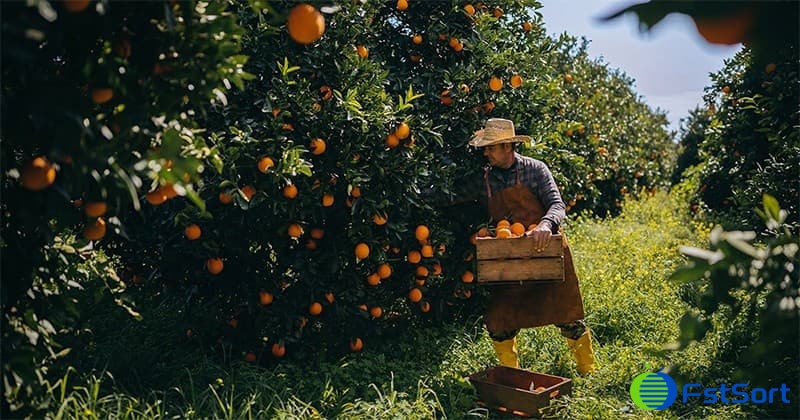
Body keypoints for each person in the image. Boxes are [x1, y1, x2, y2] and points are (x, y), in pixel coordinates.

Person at [458, 118, 596, 375]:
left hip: (545, 251)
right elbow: (451, 195)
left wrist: (545, 225)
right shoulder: (484, 179)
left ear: (508, 146)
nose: (486, 152)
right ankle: (511, 375)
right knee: (500, 321)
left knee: (567, 315)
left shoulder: (536, 170)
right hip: (508, 258)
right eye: (485, 148)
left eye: (491, 147)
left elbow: (557, 205)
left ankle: (588, 372)